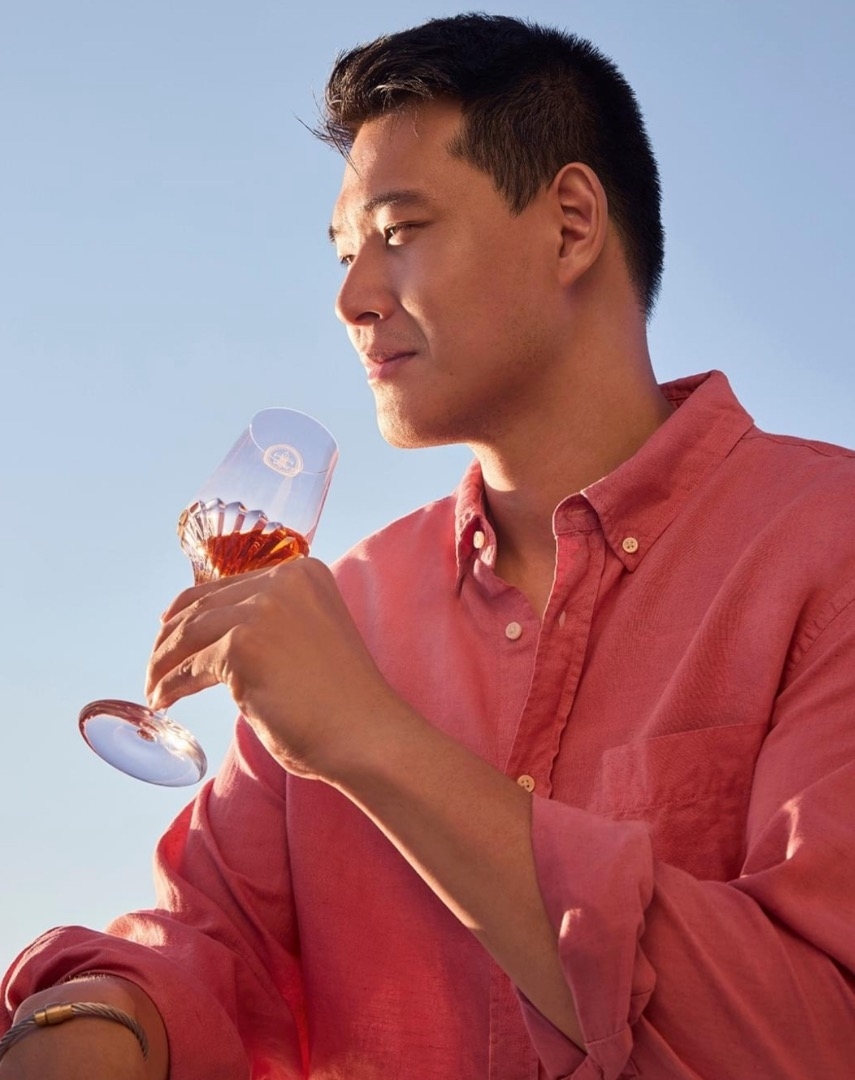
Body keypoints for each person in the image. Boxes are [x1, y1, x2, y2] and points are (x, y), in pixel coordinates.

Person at [2, 12, 854, 1079]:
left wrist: (374, 741)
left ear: (571, 225)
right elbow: (207, 957)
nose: (351, 299)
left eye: (399, 232)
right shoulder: (345, 606)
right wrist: (78, 1027)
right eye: (344, 253)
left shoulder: (827, 543)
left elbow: (813, 1035)